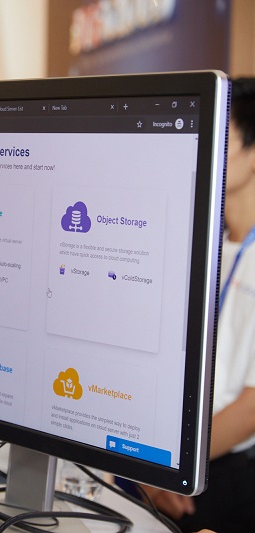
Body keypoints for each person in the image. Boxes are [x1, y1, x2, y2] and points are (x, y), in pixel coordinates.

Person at [142, 78, 255, 533]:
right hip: (175, 453)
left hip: (225, 467)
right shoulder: (200, 242)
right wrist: (149, 466)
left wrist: (169, 465)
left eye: (222, 134)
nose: (204, 143)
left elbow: (252, 406)